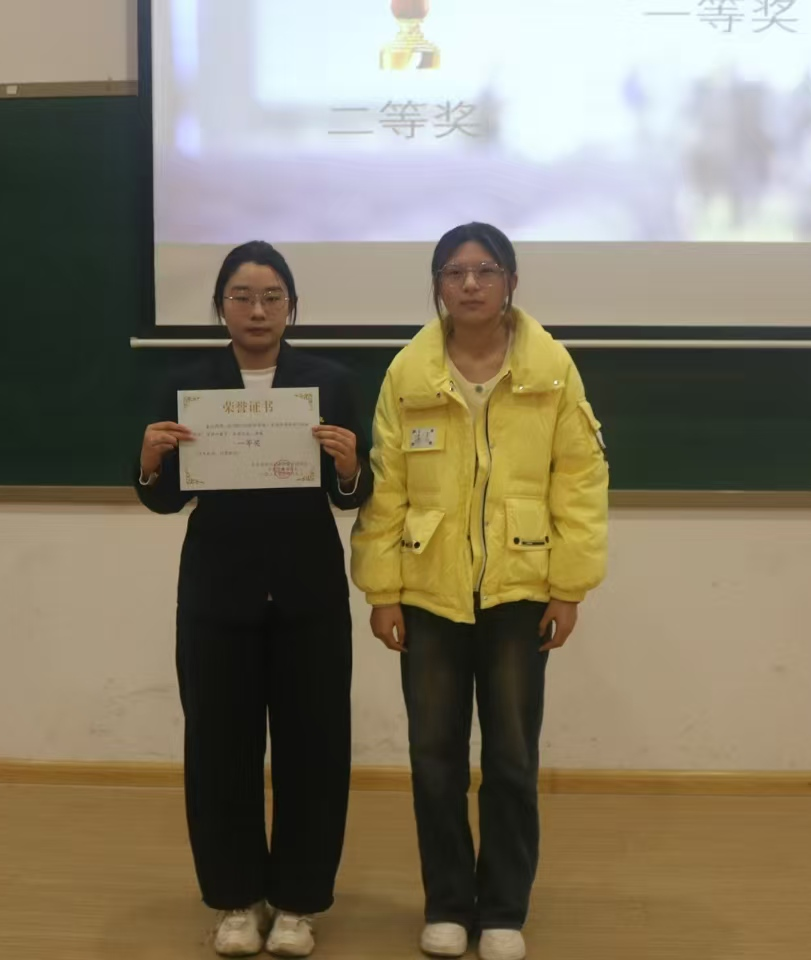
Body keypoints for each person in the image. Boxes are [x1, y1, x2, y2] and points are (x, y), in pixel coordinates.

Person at [351, 223, 608, 960]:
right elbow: (387, 487)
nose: (470, 284)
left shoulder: (551, 368)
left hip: (520, 591)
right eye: (454, 272)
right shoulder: (408, 372)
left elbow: (580, 480)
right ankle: (446, 904)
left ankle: (502, 910)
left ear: (511, 283)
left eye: (485, 270)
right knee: (434, 758)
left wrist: (569, 587)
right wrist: (382, 590)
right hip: (427, 593)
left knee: (512, 759)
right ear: (437, 285)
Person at [135, 241, 372, 958]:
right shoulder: (187, 386)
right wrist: (149, 462)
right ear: (220, 307)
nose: (258, 310)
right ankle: (235, 901)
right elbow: (165, 498)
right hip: (218, 593)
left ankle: (299, 903)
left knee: (315, 748)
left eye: (272, 297)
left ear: (292, 306)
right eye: (242, 296)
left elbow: (353, 495)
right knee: (218, 749)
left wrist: (351, 467)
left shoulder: (330, 383)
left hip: (309, 594)